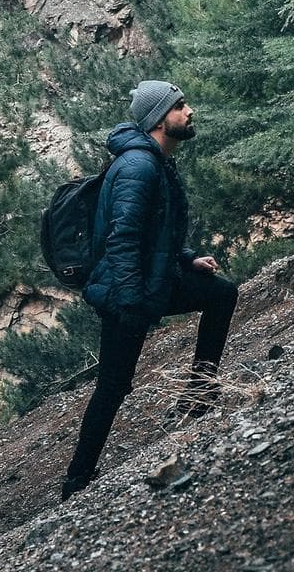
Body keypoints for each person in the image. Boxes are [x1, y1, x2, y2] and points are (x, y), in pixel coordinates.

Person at [62, 80, 239, 501]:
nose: (189, 111)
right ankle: (77, 481)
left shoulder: (157, 161)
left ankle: (200, 395)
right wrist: (130, 303)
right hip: (127, 292)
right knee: (113, 386)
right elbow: (122, 239)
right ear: (160, 119)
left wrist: (187, 259)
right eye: (180, 106)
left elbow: (158, 231)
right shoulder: (138, 167)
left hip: (152, 281)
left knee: (221, 293)